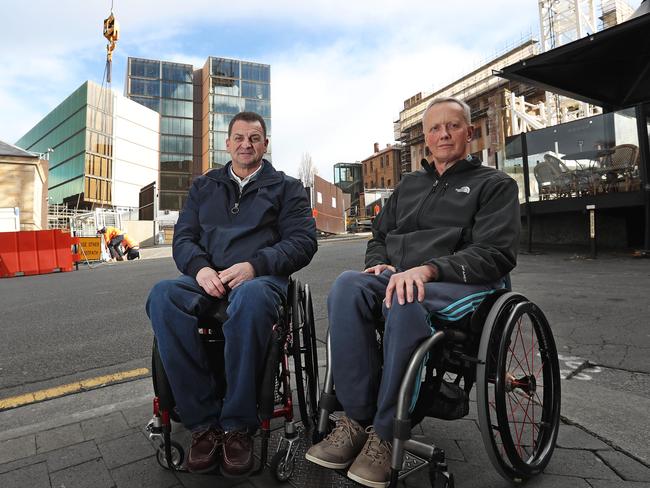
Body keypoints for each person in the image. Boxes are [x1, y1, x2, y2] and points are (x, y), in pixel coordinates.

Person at [306, 97, 520, 488]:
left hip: (460, 283)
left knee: (405, 300)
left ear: (468, 133)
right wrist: (379, 262)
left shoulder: (495, 185)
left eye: (452, 126)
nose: (443, 135)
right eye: (435, 128)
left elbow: (496, 253)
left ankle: (386, 434)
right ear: (424, 138)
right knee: (346, 287)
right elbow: (380, 236)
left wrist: (429, 269)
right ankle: (356, 419)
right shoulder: (410, 185)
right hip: (401, 277)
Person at [146, 111, 317, 477]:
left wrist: (255, 265)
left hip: (260, 279)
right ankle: (203, 423)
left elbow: (303, 242)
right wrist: (200, 268)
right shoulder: (204, 187)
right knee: (162, 296)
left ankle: (238, 424)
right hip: (208, 277)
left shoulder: (287, 188)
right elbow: (185, 239)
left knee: (252, 300)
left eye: (254, 138)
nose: (246, 144)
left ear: (265, 144)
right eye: (239, 138)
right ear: (227, 143)